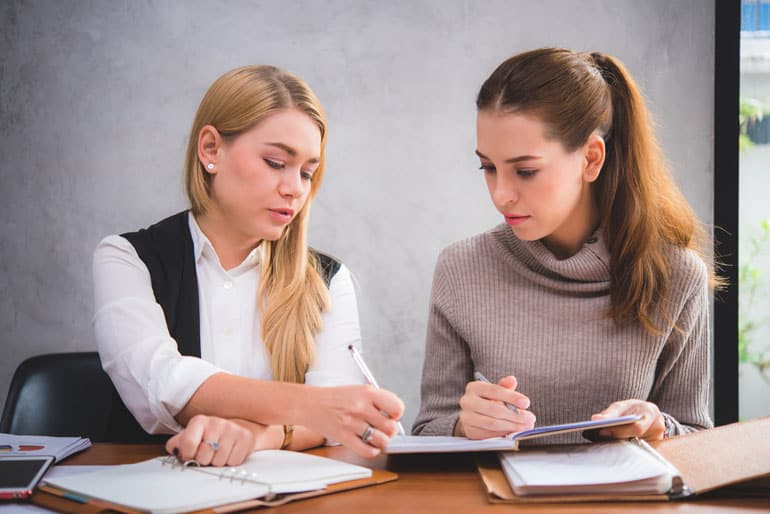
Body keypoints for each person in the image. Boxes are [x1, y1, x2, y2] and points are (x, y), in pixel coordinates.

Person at [93, 65, 403, 466]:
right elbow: (163, 383)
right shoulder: (125, 257)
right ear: (210, 150)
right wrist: (312, 406)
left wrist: (260, 436)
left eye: (307, 173)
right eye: (276, 162)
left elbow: (338, 422)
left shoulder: (328, 280)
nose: (295, 189)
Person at [412, 48, 719, 444]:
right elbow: (428, 428)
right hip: (500, 505)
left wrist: (657, 424)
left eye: (525, 171)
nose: (501, 194)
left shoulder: (677, 275)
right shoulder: (460, 268)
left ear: (591, 158)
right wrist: (463, 424)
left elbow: (696, 437)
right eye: (487, 167)